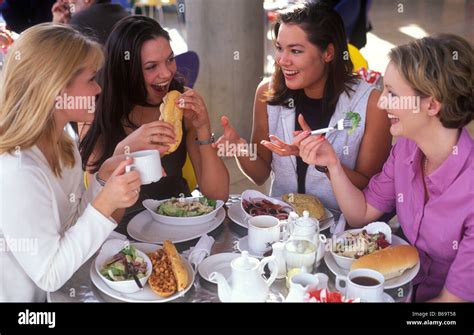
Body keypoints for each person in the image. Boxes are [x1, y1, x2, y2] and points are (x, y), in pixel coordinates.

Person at [298, 34, 474, 302]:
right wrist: (332, 163)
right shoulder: (406, 149)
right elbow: (362, 214)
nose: (381, 103)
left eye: (392, 93)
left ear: (432, 104)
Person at [0, 23, 141, 302]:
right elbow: (49, 274)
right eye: (90, 79)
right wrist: (104, 202)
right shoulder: (16, 169)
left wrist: (102, 180)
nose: (98, 88)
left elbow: (72, 225)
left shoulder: (64, 142)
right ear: (55, 88)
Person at [214, 2, 391, 211]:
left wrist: (325, 163)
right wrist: (240, 148)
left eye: (295, 51)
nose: (282, 60)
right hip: (282, 226)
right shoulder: (267, 94)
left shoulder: (371, 105)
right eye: (279, 48)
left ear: (328, 53)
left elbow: (371, 188)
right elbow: (260, 174)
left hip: (342, 232)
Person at [80, 16, 229, 229]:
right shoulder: (96, 112)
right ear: (126, 71)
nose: (167, 73)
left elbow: (217, 196)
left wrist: (203, 128)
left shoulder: (181, 103)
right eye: (151, 66)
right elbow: (97, 211)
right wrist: (126, 150)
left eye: (170, 59)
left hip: (180, 222)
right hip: (121, 235)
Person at [52, 0, 129, 45]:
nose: (66, 1)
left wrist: (56, 25)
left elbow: (56, 59)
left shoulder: (80, 20)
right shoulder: (125, 15)